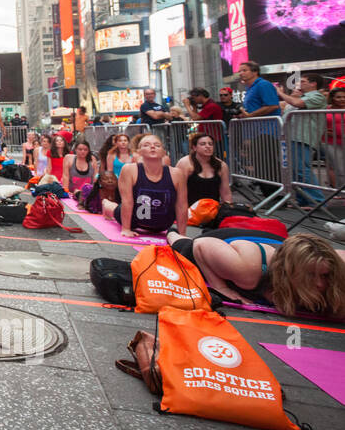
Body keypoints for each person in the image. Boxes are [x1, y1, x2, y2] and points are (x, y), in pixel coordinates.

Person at [167, 231, 345, 318]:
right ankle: (173, 232)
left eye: (325, 275)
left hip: (280, 244)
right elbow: (201, 245)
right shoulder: (248, 272)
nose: (321, 284)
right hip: (223, 243)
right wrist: (220, 287)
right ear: (291, 274)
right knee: (181, 245)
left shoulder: (333, 268)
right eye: (311, 276)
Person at [101, 134, 187, 238]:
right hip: (134, 220)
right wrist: (126, 229)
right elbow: (127, 201)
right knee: (115, 209)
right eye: (147, 145)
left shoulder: (177, 174)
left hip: (163, 224)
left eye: (157, 145)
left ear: (164, 152)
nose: (152, 147)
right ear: (139, 152)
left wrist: (182, 234)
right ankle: (106, 204)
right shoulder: (129, 170)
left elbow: (181, 205)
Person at [277, 72, 329, 207]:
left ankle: (317, 201)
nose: (300, 84)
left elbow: (297, 103)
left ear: (313, 84)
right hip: (292, 137)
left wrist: (280, 92)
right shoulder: (305, 96)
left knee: (301, 169)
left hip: (302, 138)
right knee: (295, 171)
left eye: (303, 81)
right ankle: (303, 200)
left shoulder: (317, 96)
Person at [175, 131, 231, 207]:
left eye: (210, 144)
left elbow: (226, 193)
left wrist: (228, 211)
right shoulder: (184, 163)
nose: (208, 146)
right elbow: (178, 192)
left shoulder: (222, 165)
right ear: (194, 147)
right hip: (190, 211)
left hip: (213, 210)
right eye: (203, 144)